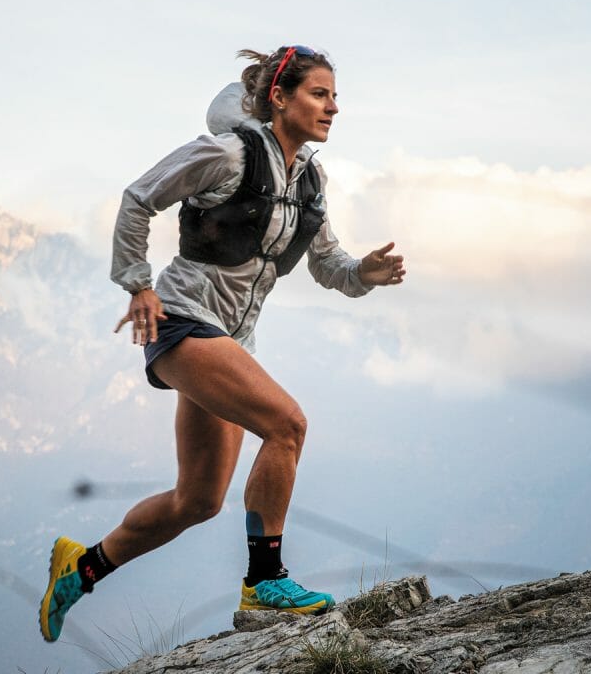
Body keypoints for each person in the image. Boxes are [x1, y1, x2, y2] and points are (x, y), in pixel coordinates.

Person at [40, 45, 406, 643]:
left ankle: (79, 570)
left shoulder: (310, 179)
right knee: (287, 424)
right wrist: (138, 284)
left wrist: (362, 271)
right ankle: (266, 581)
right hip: (182, 322)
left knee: (198, 500)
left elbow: (328, 265)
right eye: (320, 94)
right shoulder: (227, 153)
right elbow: (139, 198)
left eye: (336, 96)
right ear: (280, 98)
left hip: (230, 339)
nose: (333, 107)